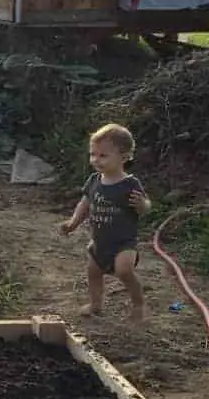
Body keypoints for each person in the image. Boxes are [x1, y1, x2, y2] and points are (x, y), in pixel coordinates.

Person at [60, 122, 151, 322]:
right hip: (99, 242)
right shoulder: (94, 181)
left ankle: (138, 304)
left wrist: (141, 205)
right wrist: (73, 222)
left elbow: (146, 208)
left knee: (124, 271)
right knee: (93, 272)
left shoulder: (130, 184)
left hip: (124, 243)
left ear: (124, 157)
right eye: (93, 154)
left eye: (103, 155)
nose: (96, 160)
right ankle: (96, 303)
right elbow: (84, 204)